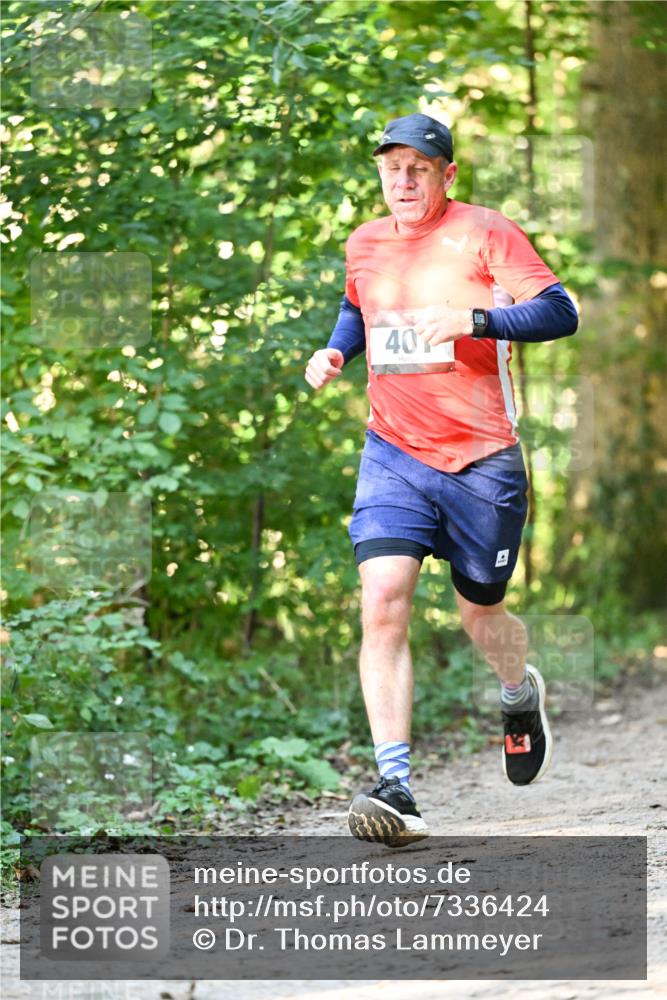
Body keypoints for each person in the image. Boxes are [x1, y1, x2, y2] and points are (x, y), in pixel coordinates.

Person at [304, 112, 578, 847]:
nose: (402, 181)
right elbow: (355, 308)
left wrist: (473, 320)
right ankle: (394, 785)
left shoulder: (486, 231)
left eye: (418, 169)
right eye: (391, 168)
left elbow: (561, 311)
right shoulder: (364, 242)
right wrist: (336, 352)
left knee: (480, 615)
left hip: (482, 461)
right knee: (382, 602)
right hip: (392, 453)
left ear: (446, 174)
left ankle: (517, 692)